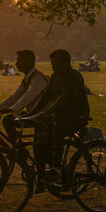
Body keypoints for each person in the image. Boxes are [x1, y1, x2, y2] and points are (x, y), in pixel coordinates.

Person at [28, 49, 91, 185]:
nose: (53, 67)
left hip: (77, 116)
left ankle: (56, 169)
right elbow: (46, 97)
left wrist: (46, 112)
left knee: (57, 132)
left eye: (55, 64)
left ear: (65, 64)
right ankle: (46, 175)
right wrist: (31, 113)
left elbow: (64, 98)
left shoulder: (75, 77)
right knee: (40, 142)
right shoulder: (55, 77)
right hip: (61, 117)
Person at [0, 50, 49, 145]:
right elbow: (15, 97)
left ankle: (20, 151)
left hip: (43, 117)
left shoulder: (38, 79)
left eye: (19, 61)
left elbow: (27, 97)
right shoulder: (28, 78)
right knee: (8, 121)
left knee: (39, 151)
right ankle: (19, 149)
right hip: (34, 114)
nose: (16, 64)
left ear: (28, 62)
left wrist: (12, 109)